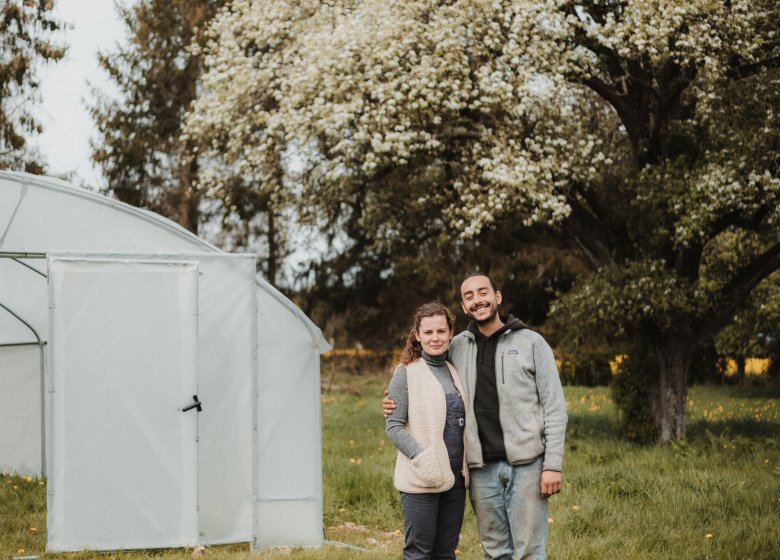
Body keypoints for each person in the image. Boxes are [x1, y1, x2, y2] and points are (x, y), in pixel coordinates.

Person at [384, 273, 568, 560]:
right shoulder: (457, 346)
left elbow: (555, 406)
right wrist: (392, 398)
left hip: (527, 464)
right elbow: (423, 378)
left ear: (498, 296)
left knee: (531, 552)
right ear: (464, 305)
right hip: (480, 470)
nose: (477, 299)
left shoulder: (532, 343)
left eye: (483, 292)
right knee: (494, 551)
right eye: (469, 296)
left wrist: (552, 464)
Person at [386, 302, 468, 560]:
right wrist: (424, 459)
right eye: (429, 332)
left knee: (445, 553)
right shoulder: (406, 374)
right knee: (419, 553)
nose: (435, 338)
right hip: (422, 478)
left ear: (451, 333)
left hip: (455, 479)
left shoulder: (454, 370)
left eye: (441, 331)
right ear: (417, 336)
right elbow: (394, 427)